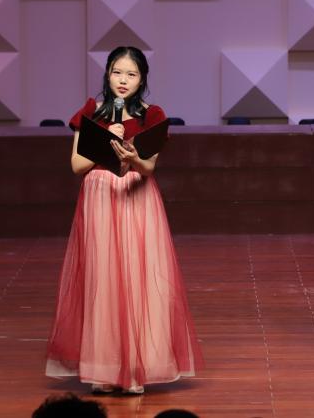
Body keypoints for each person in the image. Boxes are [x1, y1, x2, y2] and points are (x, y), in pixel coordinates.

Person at [45, 47, 202, 394]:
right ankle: (103, 369)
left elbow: (149, 168)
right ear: (107, 74)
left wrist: (133, 156)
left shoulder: (153, 115)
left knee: (137, 277)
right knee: (102, 280)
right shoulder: (91, 112)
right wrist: (107, 142)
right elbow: (76, 165)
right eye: (117, 72)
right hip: (100, 197)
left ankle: (135, 370)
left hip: (136, 197)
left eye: (131, 74)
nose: (123, 80)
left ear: (142, 79)